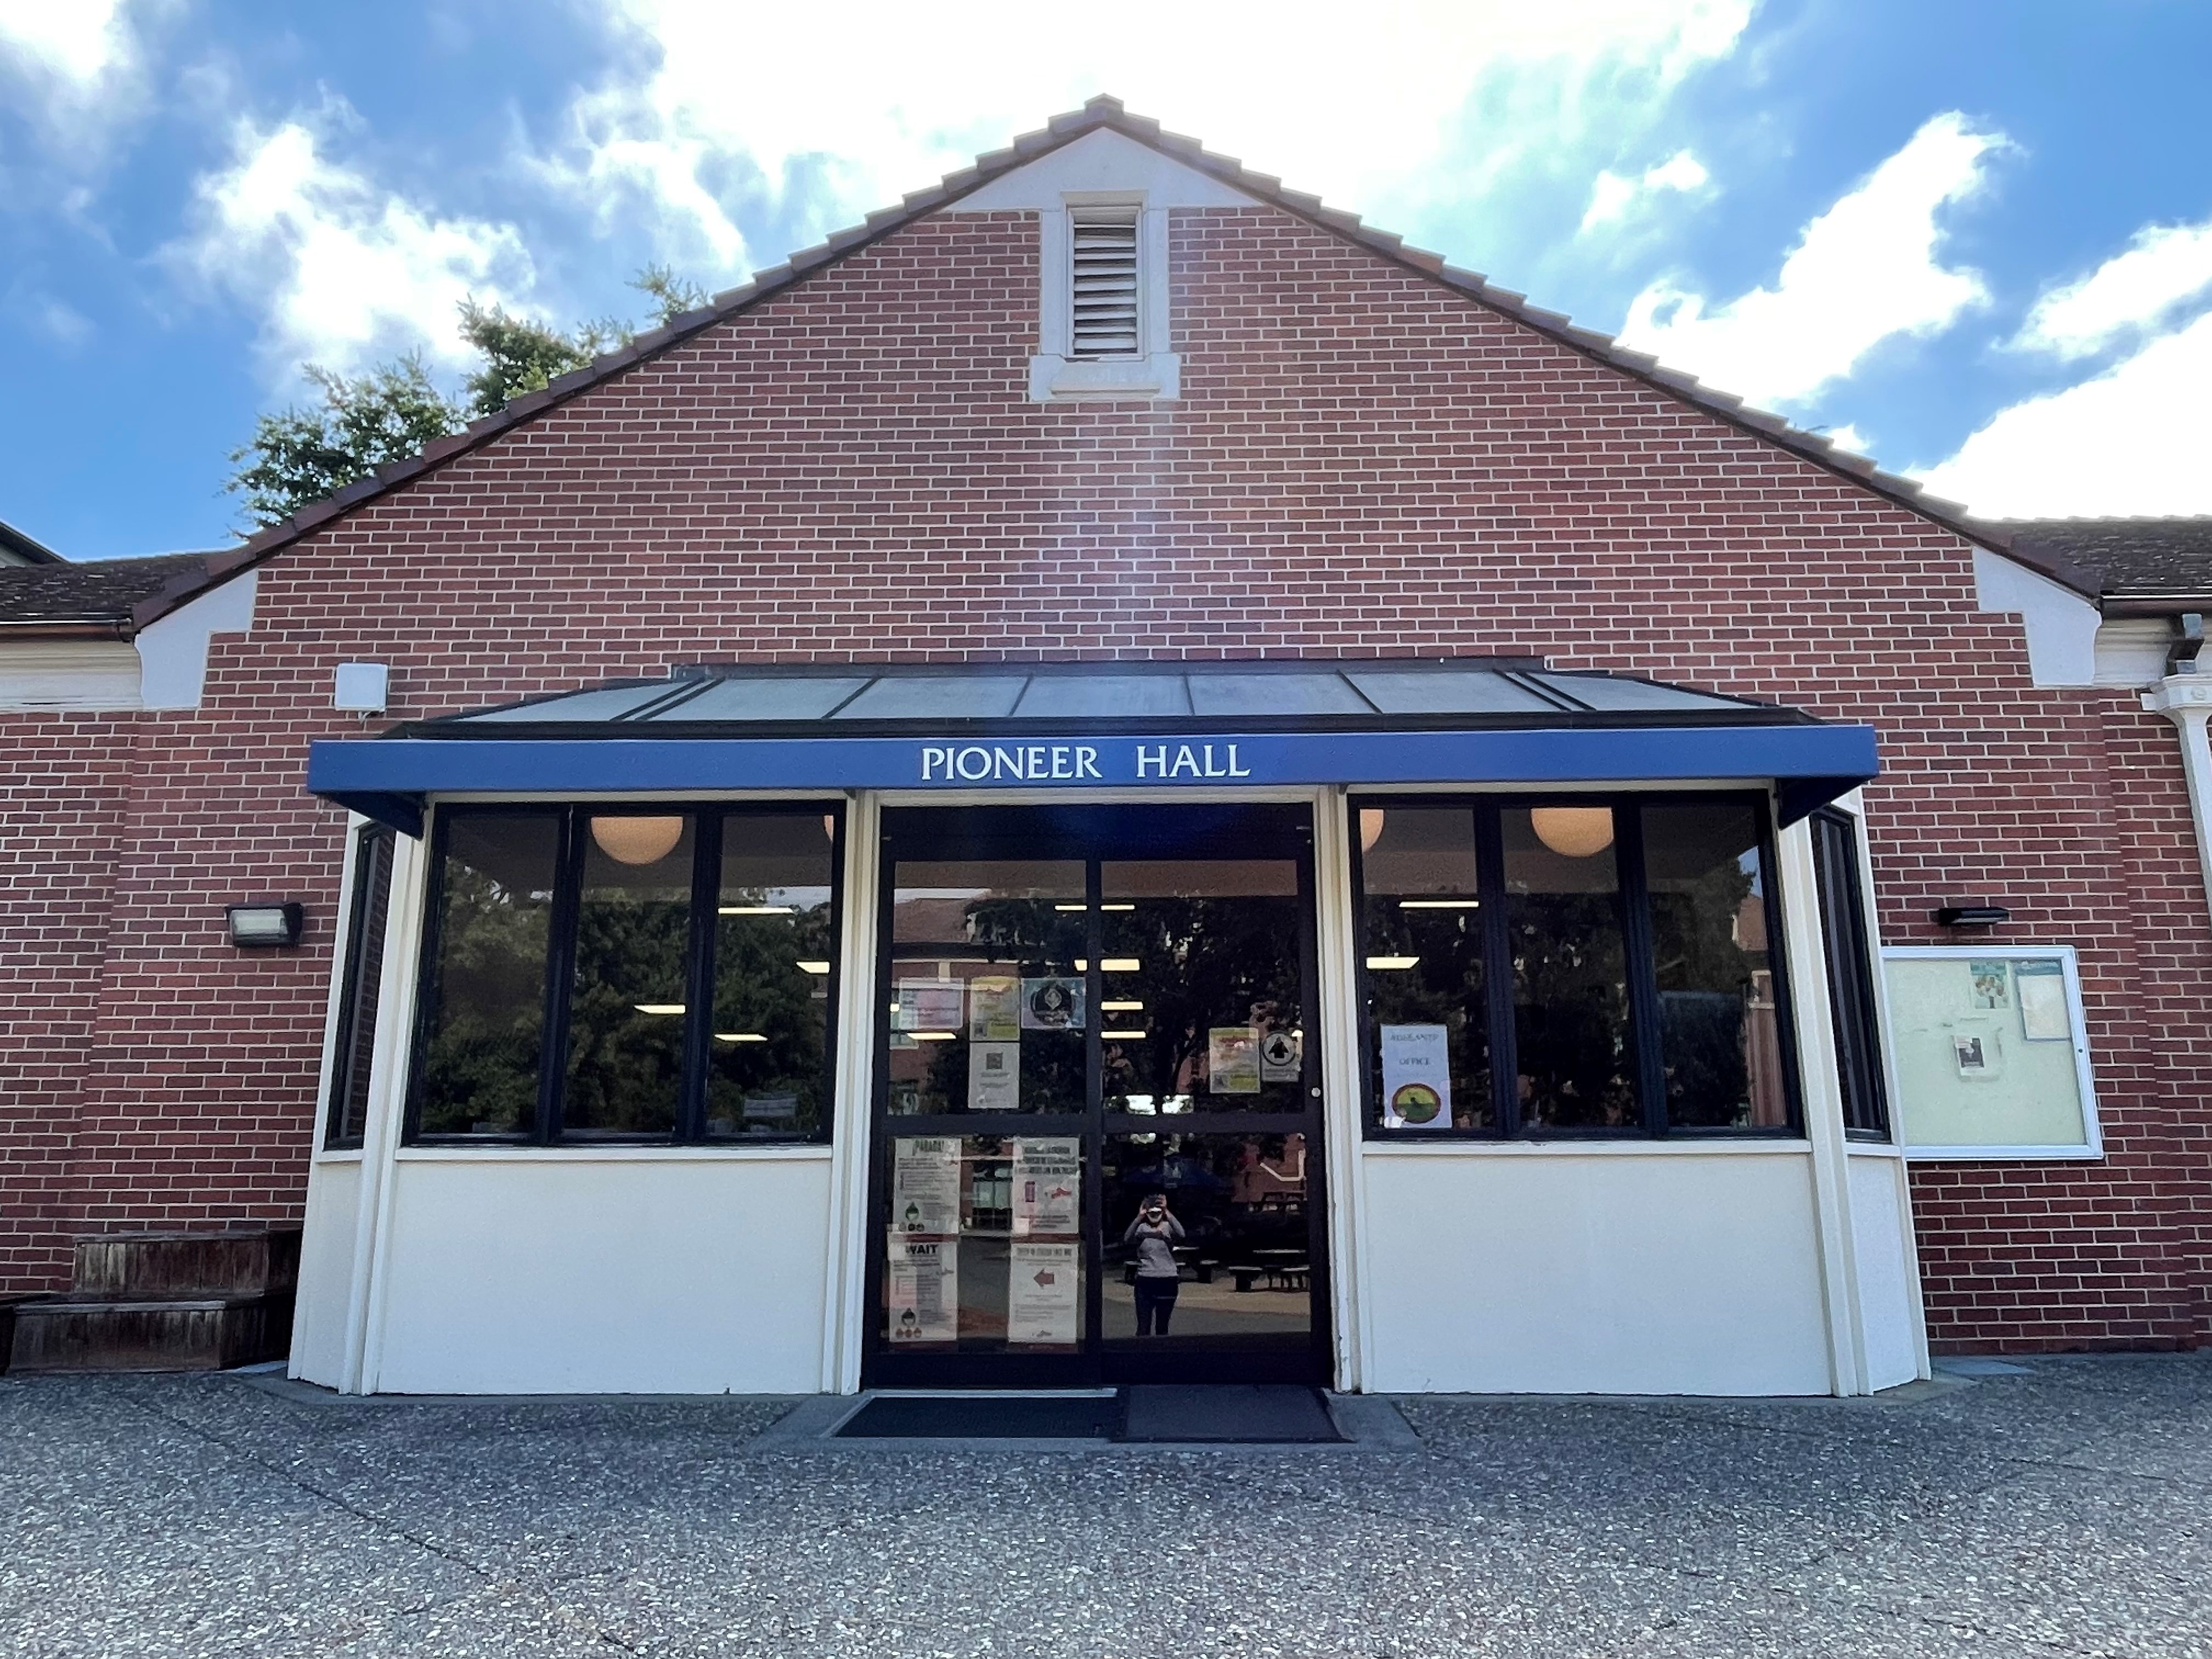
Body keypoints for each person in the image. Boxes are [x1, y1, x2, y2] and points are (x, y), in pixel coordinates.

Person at [1124, 1192, 1184, 1336]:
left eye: (1157, 1212)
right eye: (1152, 1211)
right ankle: (1142, 1354)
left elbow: (1182, 1234)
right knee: (1143, 1326)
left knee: (1162, 1327)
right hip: (1146, 1279)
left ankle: (1161, 1355)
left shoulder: (1167, 1227)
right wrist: (1139, 1217)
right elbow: (1127, 1238)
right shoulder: (1142, 1228)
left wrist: (1166, 1211)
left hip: (1167, 1278)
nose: (1154, 1215)